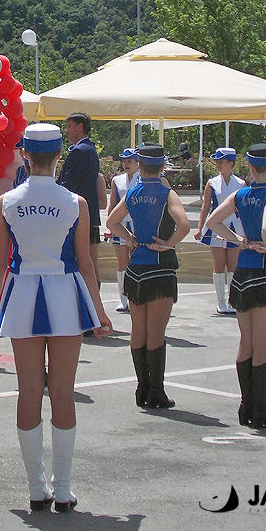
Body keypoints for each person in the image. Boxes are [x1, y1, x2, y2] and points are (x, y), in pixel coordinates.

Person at [0, 124, 111, 513]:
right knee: (64, 391)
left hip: (22, 296)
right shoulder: (76, 203)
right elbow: (85, 263)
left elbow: (0, 263)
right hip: (65, 296)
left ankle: (37, 488)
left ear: (25, 154)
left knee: (29, 390)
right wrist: (99, 312)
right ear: (58, 156)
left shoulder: (7, 202)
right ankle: (63, 488)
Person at [205, 144, 266, 429]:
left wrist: (238, 240)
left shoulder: (241, 194)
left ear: (250, 167)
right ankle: (260, 409)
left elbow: (213, 221)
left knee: (246, 341)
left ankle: (246, 405)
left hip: (243, 274)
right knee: (263, 344)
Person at [106, 144, 190, 410]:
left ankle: (141, 387)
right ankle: (156, 391)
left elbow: (111, 222)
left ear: (140, 166)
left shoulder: (132, 192)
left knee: (138, 330)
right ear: (162, 166)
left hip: (136, 266)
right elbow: (184, 224)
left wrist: (130, 238)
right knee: (156, 332)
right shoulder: (167, 193)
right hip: (160, 267)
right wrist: (168, 244)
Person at [57, 112, 107, 286]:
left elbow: (69, 185)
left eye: (69, 126)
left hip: (78, 217)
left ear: (80, 127)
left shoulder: (80, 151)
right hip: (88, 216)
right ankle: (93, 296)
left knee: (85, 265)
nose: (66, 130)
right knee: (91, 264)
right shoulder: (89, 149)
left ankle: (91, 298)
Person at [194, 148, 244, 315]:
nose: (218, 164)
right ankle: (221, 301)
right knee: (219, 265)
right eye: (216, 161)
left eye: (221, 161)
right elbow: (205, 207)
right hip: (215, 227)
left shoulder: (241, 184)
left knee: (233, 266)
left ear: (231, 163)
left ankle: (232, 300)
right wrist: (200, 227)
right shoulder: (212, 183)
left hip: (235, 226)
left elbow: (244, 209)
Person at [107, 148, 140, 312]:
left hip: (137, 223)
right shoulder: (117, 180)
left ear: (137, 163)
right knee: (122, 263)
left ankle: (137, 296)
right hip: (120, 224)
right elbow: (112, 204)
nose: (126, 164)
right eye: (124, 161)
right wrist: (109, 226)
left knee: (137, 261)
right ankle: (123, 298)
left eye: (130, 161)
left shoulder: (142, 179)